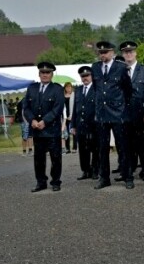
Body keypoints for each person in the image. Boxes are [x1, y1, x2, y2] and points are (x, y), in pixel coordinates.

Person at [91, 41, 133, 189]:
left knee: (123, 147)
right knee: (102, 148)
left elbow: (128, 90)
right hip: (102, 114)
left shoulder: (121, 68)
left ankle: (128, 176)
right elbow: (97, 89)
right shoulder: (95, 68)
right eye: (100, 53)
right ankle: (104, 178)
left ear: (112, 52)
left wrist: (122, 108)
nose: (102, 55)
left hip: (118, 113)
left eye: (105, 52)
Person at [22, 62, 65, 192]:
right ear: (39, 74)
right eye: (43, 73)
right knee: (38, 159)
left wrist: (44, 121)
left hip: (51, 130)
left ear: (52, 74)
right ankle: (41, 182)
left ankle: (55, 181)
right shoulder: (32, 88)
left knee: (55, 158)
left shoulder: (57, 89)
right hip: (37, 130)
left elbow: (58, 108)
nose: (45, 75)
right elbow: (26, 107)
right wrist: (32, 120)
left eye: (48, 73)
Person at [120, 41, 144, 181]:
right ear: (122, 54)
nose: (128, 54)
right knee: (126, 145)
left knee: (142, 145)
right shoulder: (119, 70)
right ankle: (128, 171)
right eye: (126, 52)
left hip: (140, 113)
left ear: (136, 53)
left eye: (131, 51)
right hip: (123, 113)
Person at [71, 66, 99, 180]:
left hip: (93, 124)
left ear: (91, 76)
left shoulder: (97, 89)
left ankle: (95, 170)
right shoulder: (77, 90)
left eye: (87, 76)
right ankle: (85, 170)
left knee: (95, 149)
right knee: (83, 150)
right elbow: (75, 109)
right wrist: (73, 125)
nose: (85, 78)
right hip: (80, 125)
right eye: (83, 76)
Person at [62, 82, 75, 154]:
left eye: (69, 87)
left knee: (74, 131)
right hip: (65, 116)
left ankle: (74, 147)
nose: (68, 88)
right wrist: (65, 116)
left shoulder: (74, 95)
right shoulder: (63, 96)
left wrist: (72, 115)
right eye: (67, 87)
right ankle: (67, 148)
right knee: (66, 132)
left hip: (72, 115)